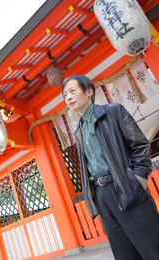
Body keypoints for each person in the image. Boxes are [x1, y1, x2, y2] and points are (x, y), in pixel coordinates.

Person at [62, 75, 159, 260]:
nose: (68, 97)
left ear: (89, 91)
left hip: (125, 186)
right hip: (102, 196)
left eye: (72, 91)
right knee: (125, 254)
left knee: (152, 248)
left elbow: (140, 146)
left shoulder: (113, 111)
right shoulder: (79, 131)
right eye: (65, 95)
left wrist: (137, 181)